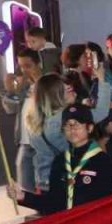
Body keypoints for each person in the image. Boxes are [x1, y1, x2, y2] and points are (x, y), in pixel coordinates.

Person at [12, 105, 112, 214]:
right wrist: (23, 197)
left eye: (77, 124)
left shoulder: (102, 161)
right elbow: (52, 203)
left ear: (90, 128)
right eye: (67, 125)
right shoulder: (60, 161)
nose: (72, 129)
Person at [26, 73, 75, 206]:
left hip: (43, 181)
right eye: (62, 87)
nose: (68, 87)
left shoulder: (34, 122)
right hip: (64, 181)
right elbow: (100, 113)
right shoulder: (62, 119)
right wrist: (102, 81)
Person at [1, 49, 45, 194]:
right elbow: (10, 109)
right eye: (21, 66)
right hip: (25, 144)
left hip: (44, 144)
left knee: (44, 188)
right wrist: (11, 90)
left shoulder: (48, 83)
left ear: (39, 63)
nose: (24, 70)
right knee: (25, 190)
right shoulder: (23, 87)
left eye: (28, 65)